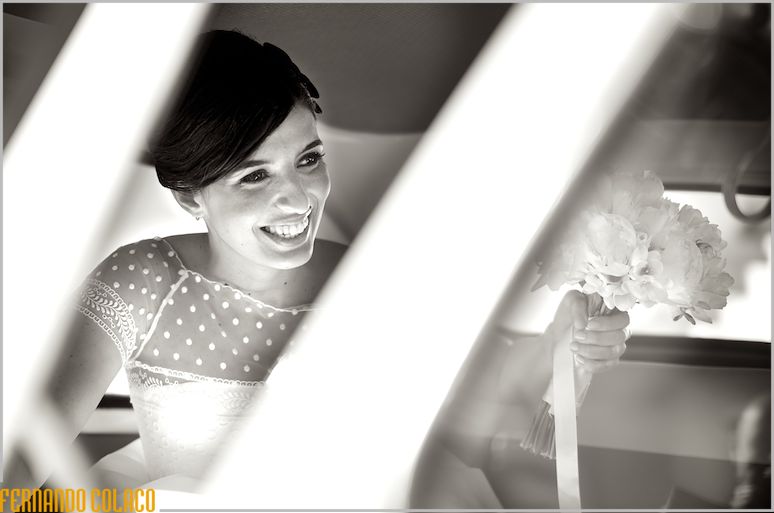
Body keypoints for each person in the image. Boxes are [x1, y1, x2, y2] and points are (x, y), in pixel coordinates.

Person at [2, 30, 630, 504]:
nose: (297, 200)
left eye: (307, 159)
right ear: (190, 197)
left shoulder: (373, 280)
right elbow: (19, 458)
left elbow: (489, 433)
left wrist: (563, 353)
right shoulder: (143, 281)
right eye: (254, 176)